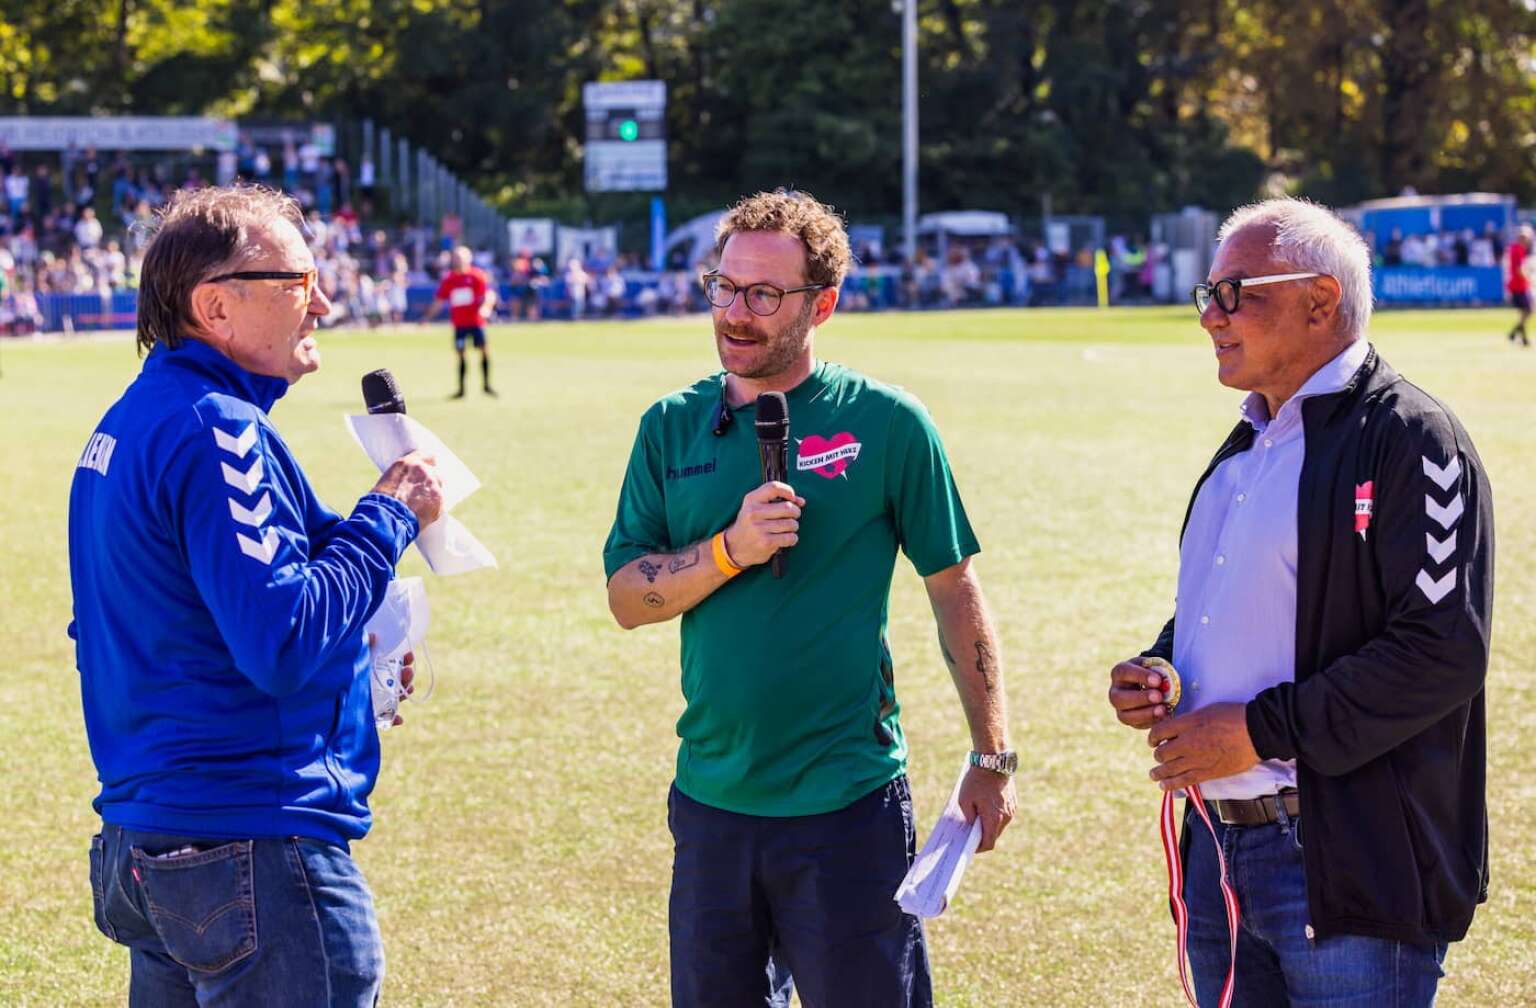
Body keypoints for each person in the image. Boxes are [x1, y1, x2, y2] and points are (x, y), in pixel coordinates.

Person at [603, 190, 1016, 1008]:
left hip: (848, 809)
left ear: (822, 303)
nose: (735, 313)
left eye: (764, 295)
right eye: (723, 287)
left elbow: (953, 589)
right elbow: (626, 598)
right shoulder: (668, 426)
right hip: (712, 808)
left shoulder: (890, 423)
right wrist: (729, 550)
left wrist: (992, 754)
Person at [1107, 198, 1493, 1007]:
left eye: (1235, 292)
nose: (1209, 316)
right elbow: (1234, 604)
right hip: (1220, 854)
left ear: (1320, 300)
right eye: (1205, 294)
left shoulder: (1412, 437)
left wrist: (1257, 730)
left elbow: (1439, 651)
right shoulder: (1246, 442)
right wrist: (1164, 666)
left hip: (1345, 858)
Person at [68, 184, 445, 1007]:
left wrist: (359, 659)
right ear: (215, 305)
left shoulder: (129, 422)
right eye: (300, 282)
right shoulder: (218, 426)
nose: (326, 305)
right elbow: (282, 639)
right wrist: (388, 516)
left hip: (155, 841)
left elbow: (153, 629)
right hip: (247, 838)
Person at [425, 244, 497, 398]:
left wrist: (486, 308)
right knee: (461, 355)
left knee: (484, 351)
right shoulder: (449, 279)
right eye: (456, 258)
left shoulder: (477, 276)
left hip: (476, 323)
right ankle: (461, 390)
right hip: (460, 324)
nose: (458, 261)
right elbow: (438, 301)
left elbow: (489, 295)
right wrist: (427, 318)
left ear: (468, 259)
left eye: (461, 258)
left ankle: (486, 385)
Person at [1503, 223, 1531, 347]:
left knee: (1524, 312)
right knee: (1528, 311)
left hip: (1516, 285)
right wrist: (1529, 280)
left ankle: (1521, 337)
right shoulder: (1518, 249)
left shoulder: (1515, 248)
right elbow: (1519, 270)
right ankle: (1514, 333)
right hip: (1518, 285)